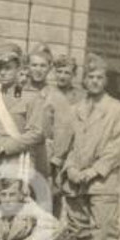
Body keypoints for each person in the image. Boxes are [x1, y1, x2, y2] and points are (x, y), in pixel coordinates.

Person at [60, 53, 120, 240]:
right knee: (78, 224)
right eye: (90, 77)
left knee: (103, 225)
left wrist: (93, 171)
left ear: (105, 81)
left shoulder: (117, 109)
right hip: (76, 177)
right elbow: (67, 144)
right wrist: (70, 168)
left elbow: (117, 148)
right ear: (84, 80)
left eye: (99, 77)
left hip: (102, 178)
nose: (95, 81)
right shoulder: (75, 109)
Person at [0, 44, 46, 190]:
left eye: (8, 68)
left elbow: (36, 133)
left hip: (19, 162)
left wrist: (5, 146)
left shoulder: (32, 98)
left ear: (19, 70)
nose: (2, 73)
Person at [43, 54, 82, 216]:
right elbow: (46, 128)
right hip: (52, 152)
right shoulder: (48, 94)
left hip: (74, 153)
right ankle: (49, 230)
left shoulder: (81, 96)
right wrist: (53, 155)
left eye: (67, 72)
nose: (62, 76)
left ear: (73, 75)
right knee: (51, 193)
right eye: (59, 72)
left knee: (74, 195)